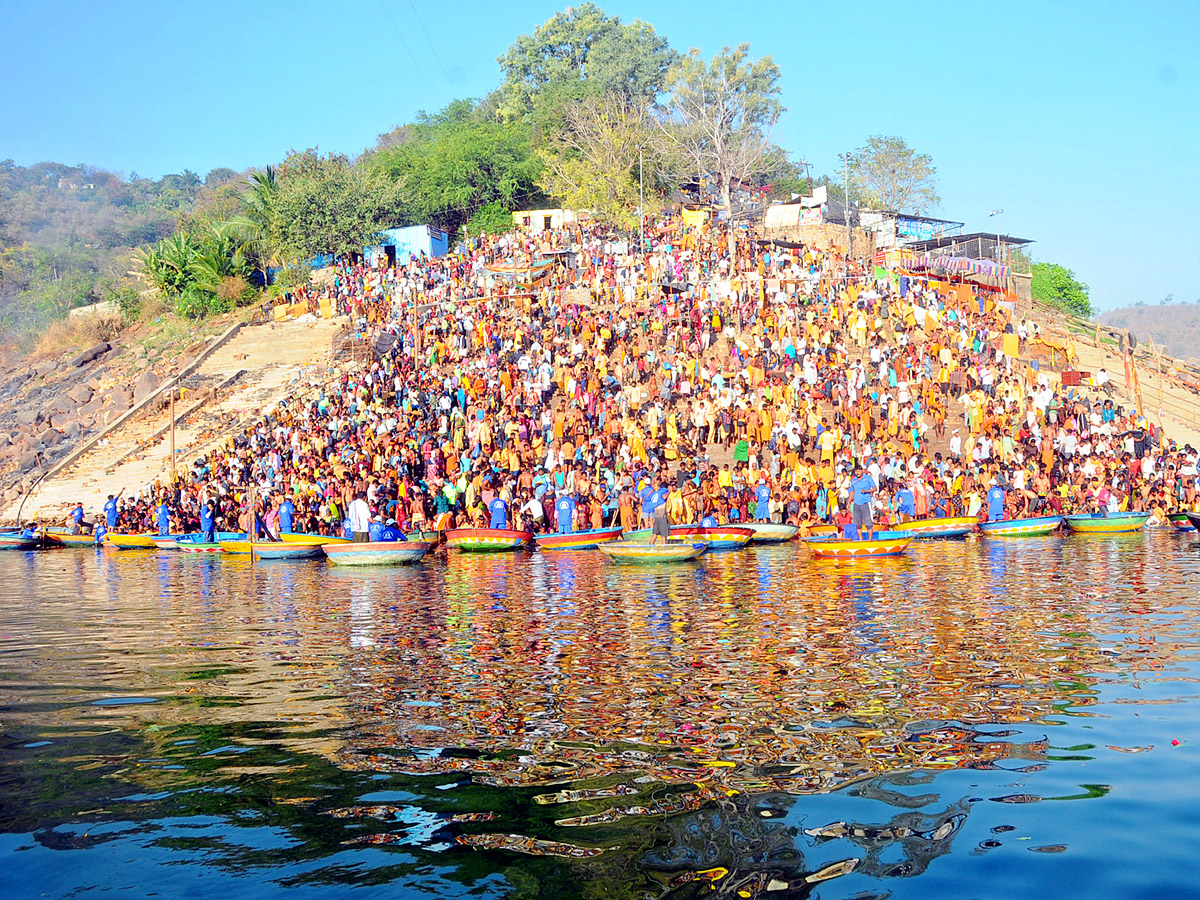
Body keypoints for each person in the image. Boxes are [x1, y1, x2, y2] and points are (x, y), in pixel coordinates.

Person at [848, 464, 877, 540]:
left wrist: (866, 491)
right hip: (856, 504)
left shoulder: (868, 478)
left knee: (868, 523)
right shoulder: (853, 480)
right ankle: (861, 540)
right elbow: (852, 491)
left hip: (865, 503)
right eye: (856, 471)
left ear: (861, 471)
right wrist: (848, 502)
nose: (857, 473)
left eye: (858, 471)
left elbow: (875, 488)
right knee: (857, 524)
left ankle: (870, 540)